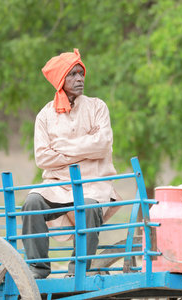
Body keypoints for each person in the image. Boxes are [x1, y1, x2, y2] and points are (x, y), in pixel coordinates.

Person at [21, 48, 120, 279]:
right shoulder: (45, 115)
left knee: (88, 206)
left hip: (93, 184)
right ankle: (38, 267)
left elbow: (103, 145)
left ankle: (78, 270)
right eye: (73, 74)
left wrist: (62, 146)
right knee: (32, 202)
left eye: (81, 73)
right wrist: (86, 147)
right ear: (60, 81)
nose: (79, 79)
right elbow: (43, 158)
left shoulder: (98, 107)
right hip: (57, 184)